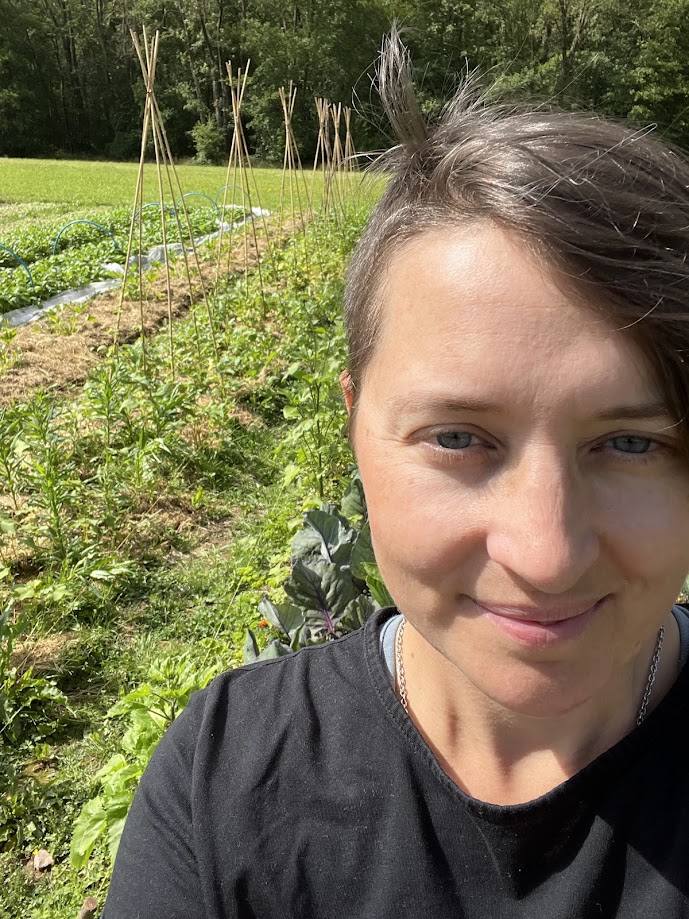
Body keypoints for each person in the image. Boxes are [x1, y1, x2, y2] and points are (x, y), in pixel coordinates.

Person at [102, 29, 689, 918]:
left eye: (630, 442)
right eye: (458, 438)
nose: (546, 554)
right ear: (354, 428)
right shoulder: (222, 781)